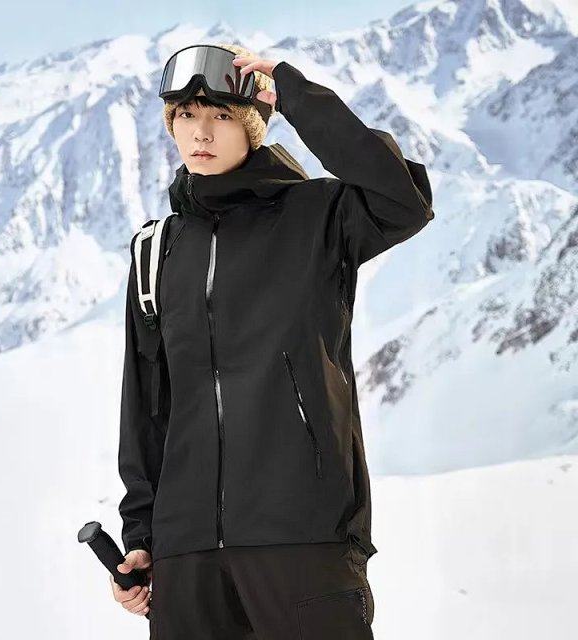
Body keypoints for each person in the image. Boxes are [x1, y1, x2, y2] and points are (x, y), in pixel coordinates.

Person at [111, 42, 434, 639]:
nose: (201, 131)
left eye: (222, 115)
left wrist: (296, 96)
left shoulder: (320, 216)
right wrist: (143, 536)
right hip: (188, 559)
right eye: (186, 115)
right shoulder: (156, 250)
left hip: (302, 537)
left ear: (252, 127)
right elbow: (147, 406)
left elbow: (404, 199)